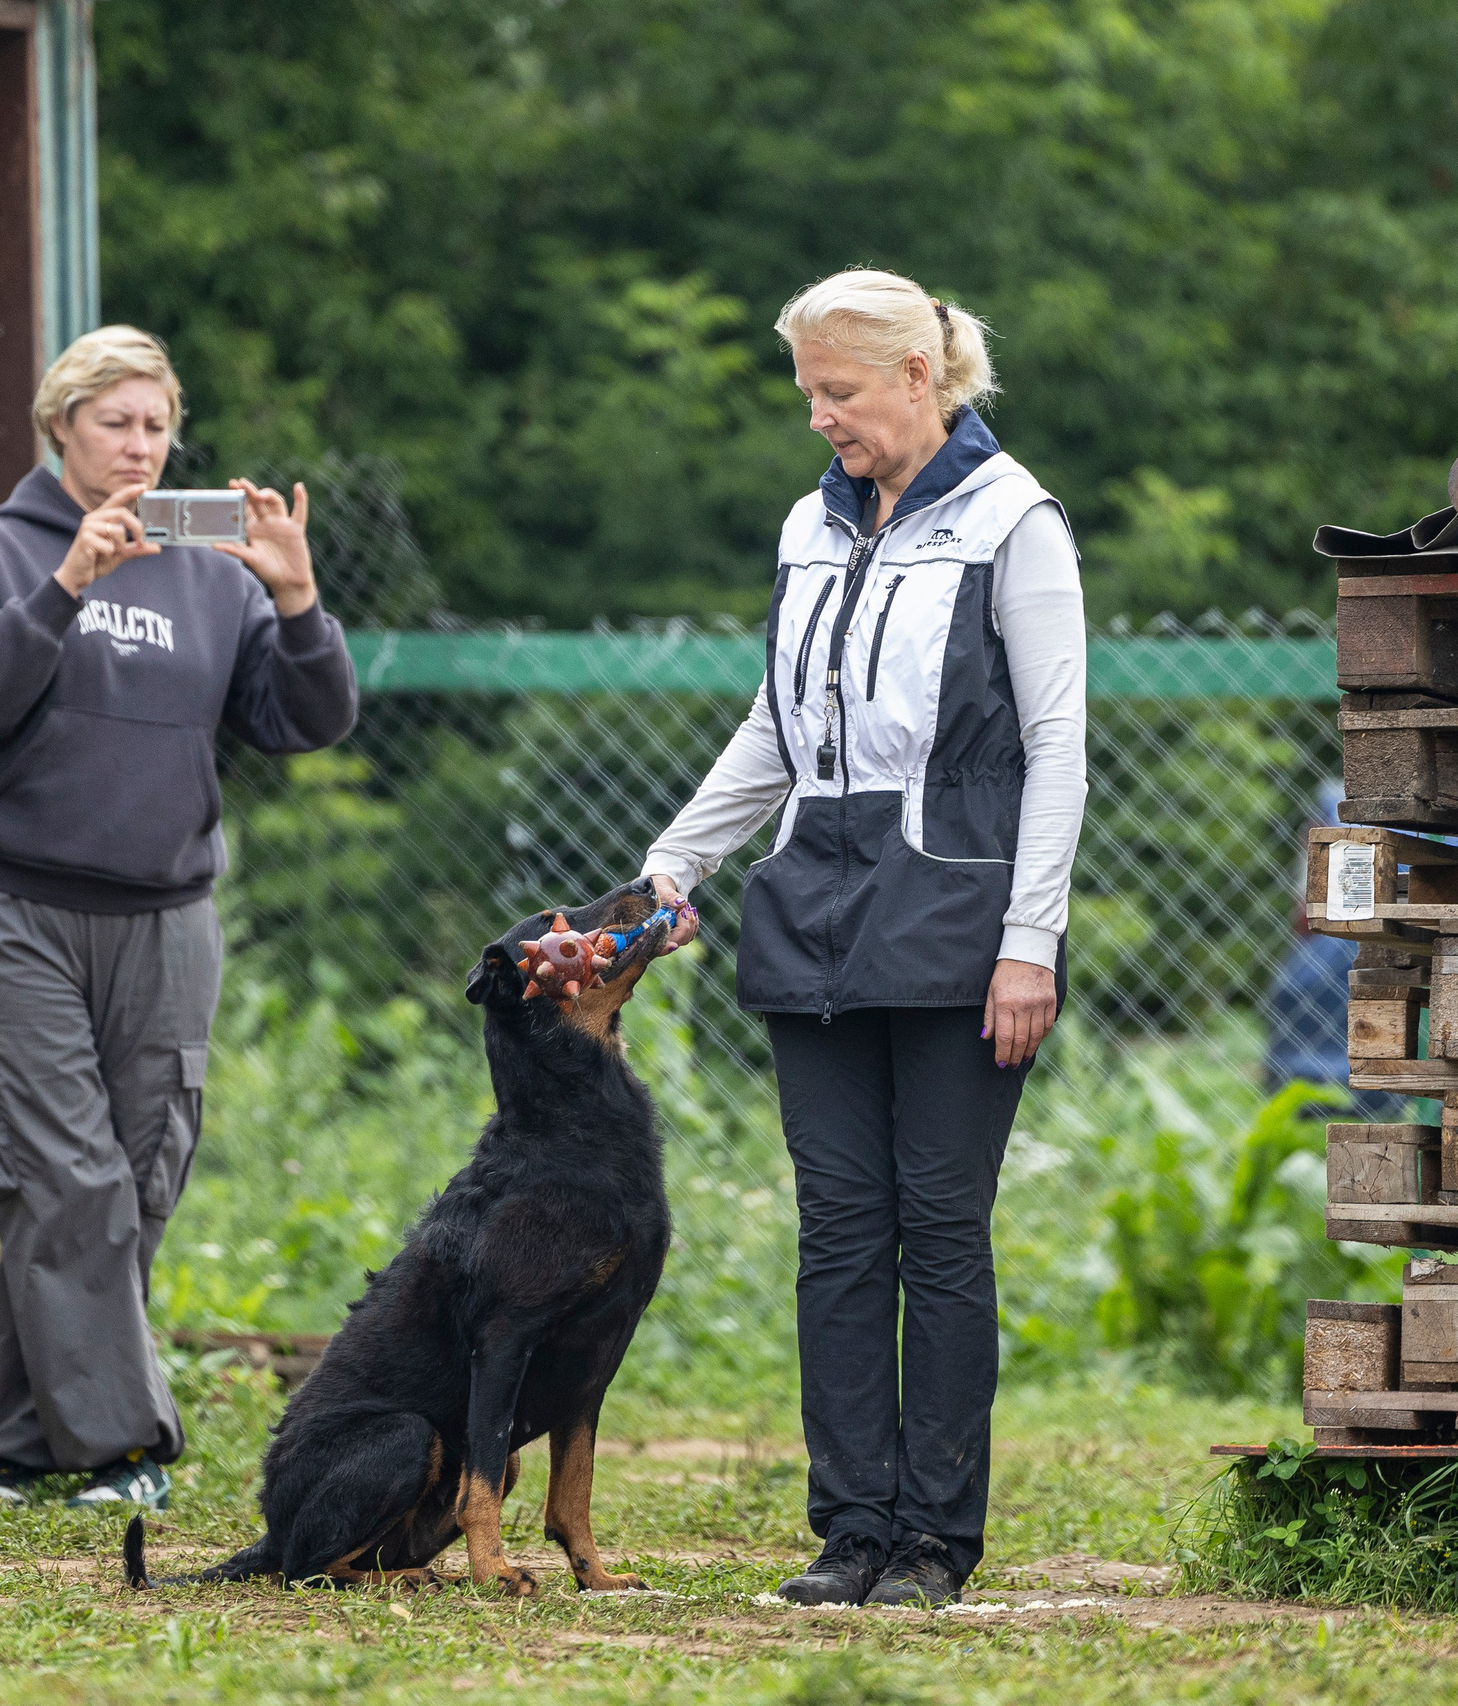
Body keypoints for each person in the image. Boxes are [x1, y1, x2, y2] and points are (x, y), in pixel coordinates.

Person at [639, 269, 1086, 1607]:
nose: (821, 418)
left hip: (957, 919)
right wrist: (672, 864)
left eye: (838, 392)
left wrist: (1032, 941)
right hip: (816, 911)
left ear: (918, 379)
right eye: (808, 395)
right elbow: (778, 727)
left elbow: (1060, 743)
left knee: (940, 1227)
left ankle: (936, 1542)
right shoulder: (809, 526)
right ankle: (851, 1530)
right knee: (838, 1229)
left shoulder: (1017, 520)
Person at [0, 326, 358, 1510]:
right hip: (13, 910)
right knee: (67, 1177)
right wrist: (67, 587)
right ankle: (116, 1448)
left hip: (164, 916)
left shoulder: (212, 576)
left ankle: (14, 1445)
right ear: (60, 425)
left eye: (157, 426)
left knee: (136, 1181)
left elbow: (300, 719)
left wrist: (298, 596)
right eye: (116, 422)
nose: (140, 446)